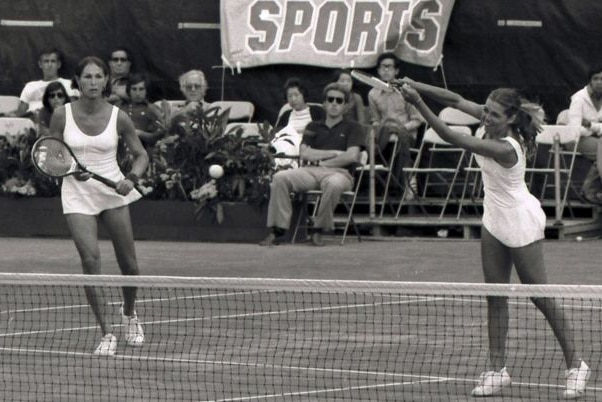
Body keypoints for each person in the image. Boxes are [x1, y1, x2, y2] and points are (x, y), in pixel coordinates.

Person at [399, 80, 590, 399]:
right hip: (493, 218)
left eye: (494, 114)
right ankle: (497, 369)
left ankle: (576, 366)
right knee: (494, 295)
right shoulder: (491, 118)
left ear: (511, 119)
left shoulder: (506, 147)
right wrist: (414, 83)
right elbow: (456, 98)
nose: (486, 117)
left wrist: (416, 101)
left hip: (520, 220)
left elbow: (450, 135)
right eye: (485, 110)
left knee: (540, 297)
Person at [48, 56, 149, 356]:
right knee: (90, 262)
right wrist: (66, 167)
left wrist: (131, 178)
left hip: (112, 191)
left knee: (129, 265)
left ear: (106, 80)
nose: (93, 82)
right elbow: (52, 154)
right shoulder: (60, 115)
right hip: (77, 192)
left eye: (98, 77)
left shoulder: (119, 117)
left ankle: (129, 314)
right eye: (87, 77)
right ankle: (106, 333)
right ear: (77, 81)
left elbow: (141, 155)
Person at [260, 82, 365, 247]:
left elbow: (352, 156)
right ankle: (278, 230)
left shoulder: (354, 127)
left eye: (339, 101)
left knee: (333, 183)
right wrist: (335, 153)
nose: (334, 104)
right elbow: (304, 153)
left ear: (345, 106)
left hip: (340, 173)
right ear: (324, 103)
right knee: (280, 178)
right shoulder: (313, 126)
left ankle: (318, 230)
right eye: (330, 99)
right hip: (311, 170)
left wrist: (320, 159)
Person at [368, 53, 424, 192]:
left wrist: (399, 129)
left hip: (406, 135)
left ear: (396, 71)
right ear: (378, 70)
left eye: (389, 67)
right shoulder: (372, 94)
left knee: (396, 137)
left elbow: (417, 120)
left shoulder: (406, 91)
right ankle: (376, 188)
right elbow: (375, 120)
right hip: (384, 135)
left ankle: (407, 182)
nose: (385, 70)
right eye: (382, 67)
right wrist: (381, 130)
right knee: (370, 139)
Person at [271, 77, 326, 169]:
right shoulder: (286, 115)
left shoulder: (317, 112)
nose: (293, 99)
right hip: (288, 152)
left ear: (303, 95)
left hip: (309, 151)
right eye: (290, 96)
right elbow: (278, 135)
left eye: (296, 95)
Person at [9, 48, 79, 117]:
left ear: (58, 64)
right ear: (40, 64)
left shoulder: (69, 84)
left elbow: (73, 111)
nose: (49, 65)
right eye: (46, 61)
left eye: (53, 61)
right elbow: (20, 112)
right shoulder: (30, 86)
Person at [567, 65, 602, 204]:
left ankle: (588, 190)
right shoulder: (579, 99)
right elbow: (574, 129)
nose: (600, 82)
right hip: (574, 140)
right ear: (590, 81)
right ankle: (589, 191)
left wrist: (591, 125)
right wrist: (595, 129)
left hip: (595, 138)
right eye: (596, 79)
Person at [118, 73, 164, 147]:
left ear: (146, 90)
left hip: (142, 148)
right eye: (134, 89)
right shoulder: (120, 106)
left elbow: (158, 136)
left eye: (141, 89)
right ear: (129, 90)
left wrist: (140, 134)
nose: (137, 93)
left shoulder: (152, 109)